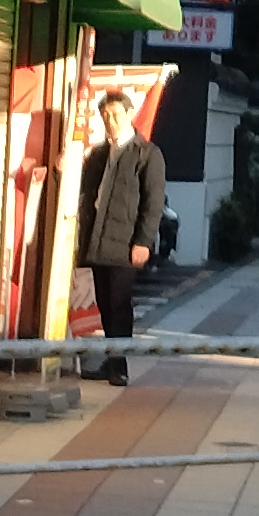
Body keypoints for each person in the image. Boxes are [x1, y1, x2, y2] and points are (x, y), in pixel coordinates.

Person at [75, 84, 163, 389]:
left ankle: (120, 365)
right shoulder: (100, 153)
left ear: (129, 114)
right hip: (98, 239)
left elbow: (153, 203)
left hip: (125, 242)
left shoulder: (147, 154)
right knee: (104, 303)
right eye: (104, 115)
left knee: (119, 303)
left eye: (115, 114)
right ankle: (109, 360)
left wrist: (144, 241)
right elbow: (84, 190)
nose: (109, 120)